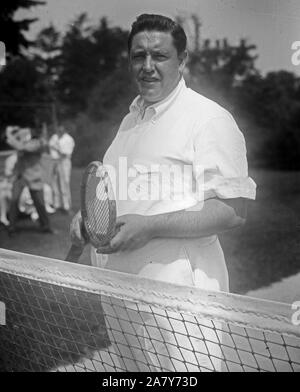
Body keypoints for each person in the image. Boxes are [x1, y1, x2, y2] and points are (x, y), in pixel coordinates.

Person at [70, 14, 256, 371]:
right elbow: (117, 195)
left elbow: (233, 211)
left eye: (160, 56)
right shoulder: (129, 122)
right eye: (139, 56)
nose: (148, 67)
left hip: (179, 306)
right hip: (120, 295)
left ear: (182, 60)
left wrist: (151, 226)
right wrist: (89, 219)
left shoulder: (208, 119)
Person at [7, 126, 53, 234]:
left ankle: (46, 226)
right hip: (20, 176)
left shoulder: (37, 143)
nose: (22, 136)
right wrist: (13, 134)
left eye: (24, 134)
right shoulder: (23, 143)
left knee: (40, 203)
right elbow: (15, 143)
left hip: (34, 177)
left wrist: (9, 133)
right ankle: (11, 227)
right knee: (14, 201)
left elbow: (22, 147)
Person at [49, 124, 75, 213]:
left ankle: (67, 205)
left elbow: (65, 153)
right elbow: (49, 146)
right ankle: (57, 204)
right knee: (54, 183)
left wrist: (56, 147)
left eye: (61, 130)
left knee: (65, 183)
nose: (59, 131)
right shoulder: (54, 137)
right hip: (54, 161)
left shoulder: (69, 139)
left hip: (64, 162)